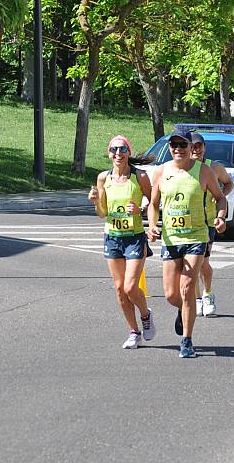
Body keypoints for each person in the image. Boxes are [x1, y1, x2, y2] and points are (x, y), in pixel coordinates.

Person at [147, 128, 227, 358]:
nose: (178, 149)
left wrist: (220, 218)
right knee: (172, 294)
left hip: (196, 237)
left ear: (192, 148)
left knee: (186, 288)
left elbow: (220, 197)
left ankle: (187, 340)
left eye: (183, 145)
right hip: (171, 239)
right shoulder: (161, 172)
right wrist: (152, 225)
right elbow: (153, 204)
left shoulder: (204, 172)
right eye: (174, 145)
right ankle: (183, 309)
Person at [88, 135, 156, 349]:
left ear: (128, 152)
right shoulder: (103, 178)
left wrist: (142, 210)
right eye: (114, 150)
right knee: (119, 289)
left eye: (122, 149)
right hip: (112, 237)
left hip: (135, 237)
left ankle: (145, 315)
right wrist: (95, 201)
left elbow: (154, 201)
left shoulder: (140, 176)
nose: (118, 154)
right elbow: (102, 213)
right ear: (109, 154)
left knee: (130, 287)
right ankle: (134, 331)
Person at [190, 132, 234, 317]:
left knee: (201, 263)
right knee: (190, 266)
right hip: (185, 224)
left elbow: (229, 183)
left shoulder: (214, 167)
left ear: (204, 147)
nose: (195, 149)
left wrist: (219, 199)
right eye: (192, 146)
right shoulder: (180, 167)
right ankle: (197, 298)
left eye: (199, 146)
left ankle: (207, 293)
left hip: (207, 222)